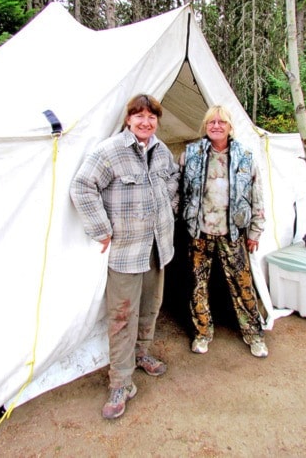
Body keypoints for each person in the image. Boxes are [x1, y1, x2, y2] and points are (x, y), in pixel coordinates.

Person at [70, 94, 179, 420]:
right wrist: (101, 229)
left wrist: (168, 207)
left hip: (158, 247)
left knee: (151, 307)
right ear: (128, 119)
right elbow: (82, 186)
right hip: (127, 252)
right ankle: (120, 382)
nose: (146, 122)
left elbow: (173, 179)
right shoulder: (110, 151)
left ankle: (141, 353)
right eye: (139, 116)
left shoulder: (161, 151)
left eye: (151, 117)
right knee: (122, 317)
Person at [180, 105, 268, 357]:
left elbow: (257, 196)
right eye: (211, 122)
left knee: (242, 285)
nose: (216, 126)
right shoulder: (191, 154)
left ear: (230, 127)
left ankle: (253, 334)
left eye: (222, 122)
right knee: (198, 285)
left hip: (233, 232)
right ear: (205, 126)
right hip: (199, 232)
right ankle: (202, 333)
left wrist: (255, 231)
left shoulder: (245, 157)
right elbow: (179, 191)